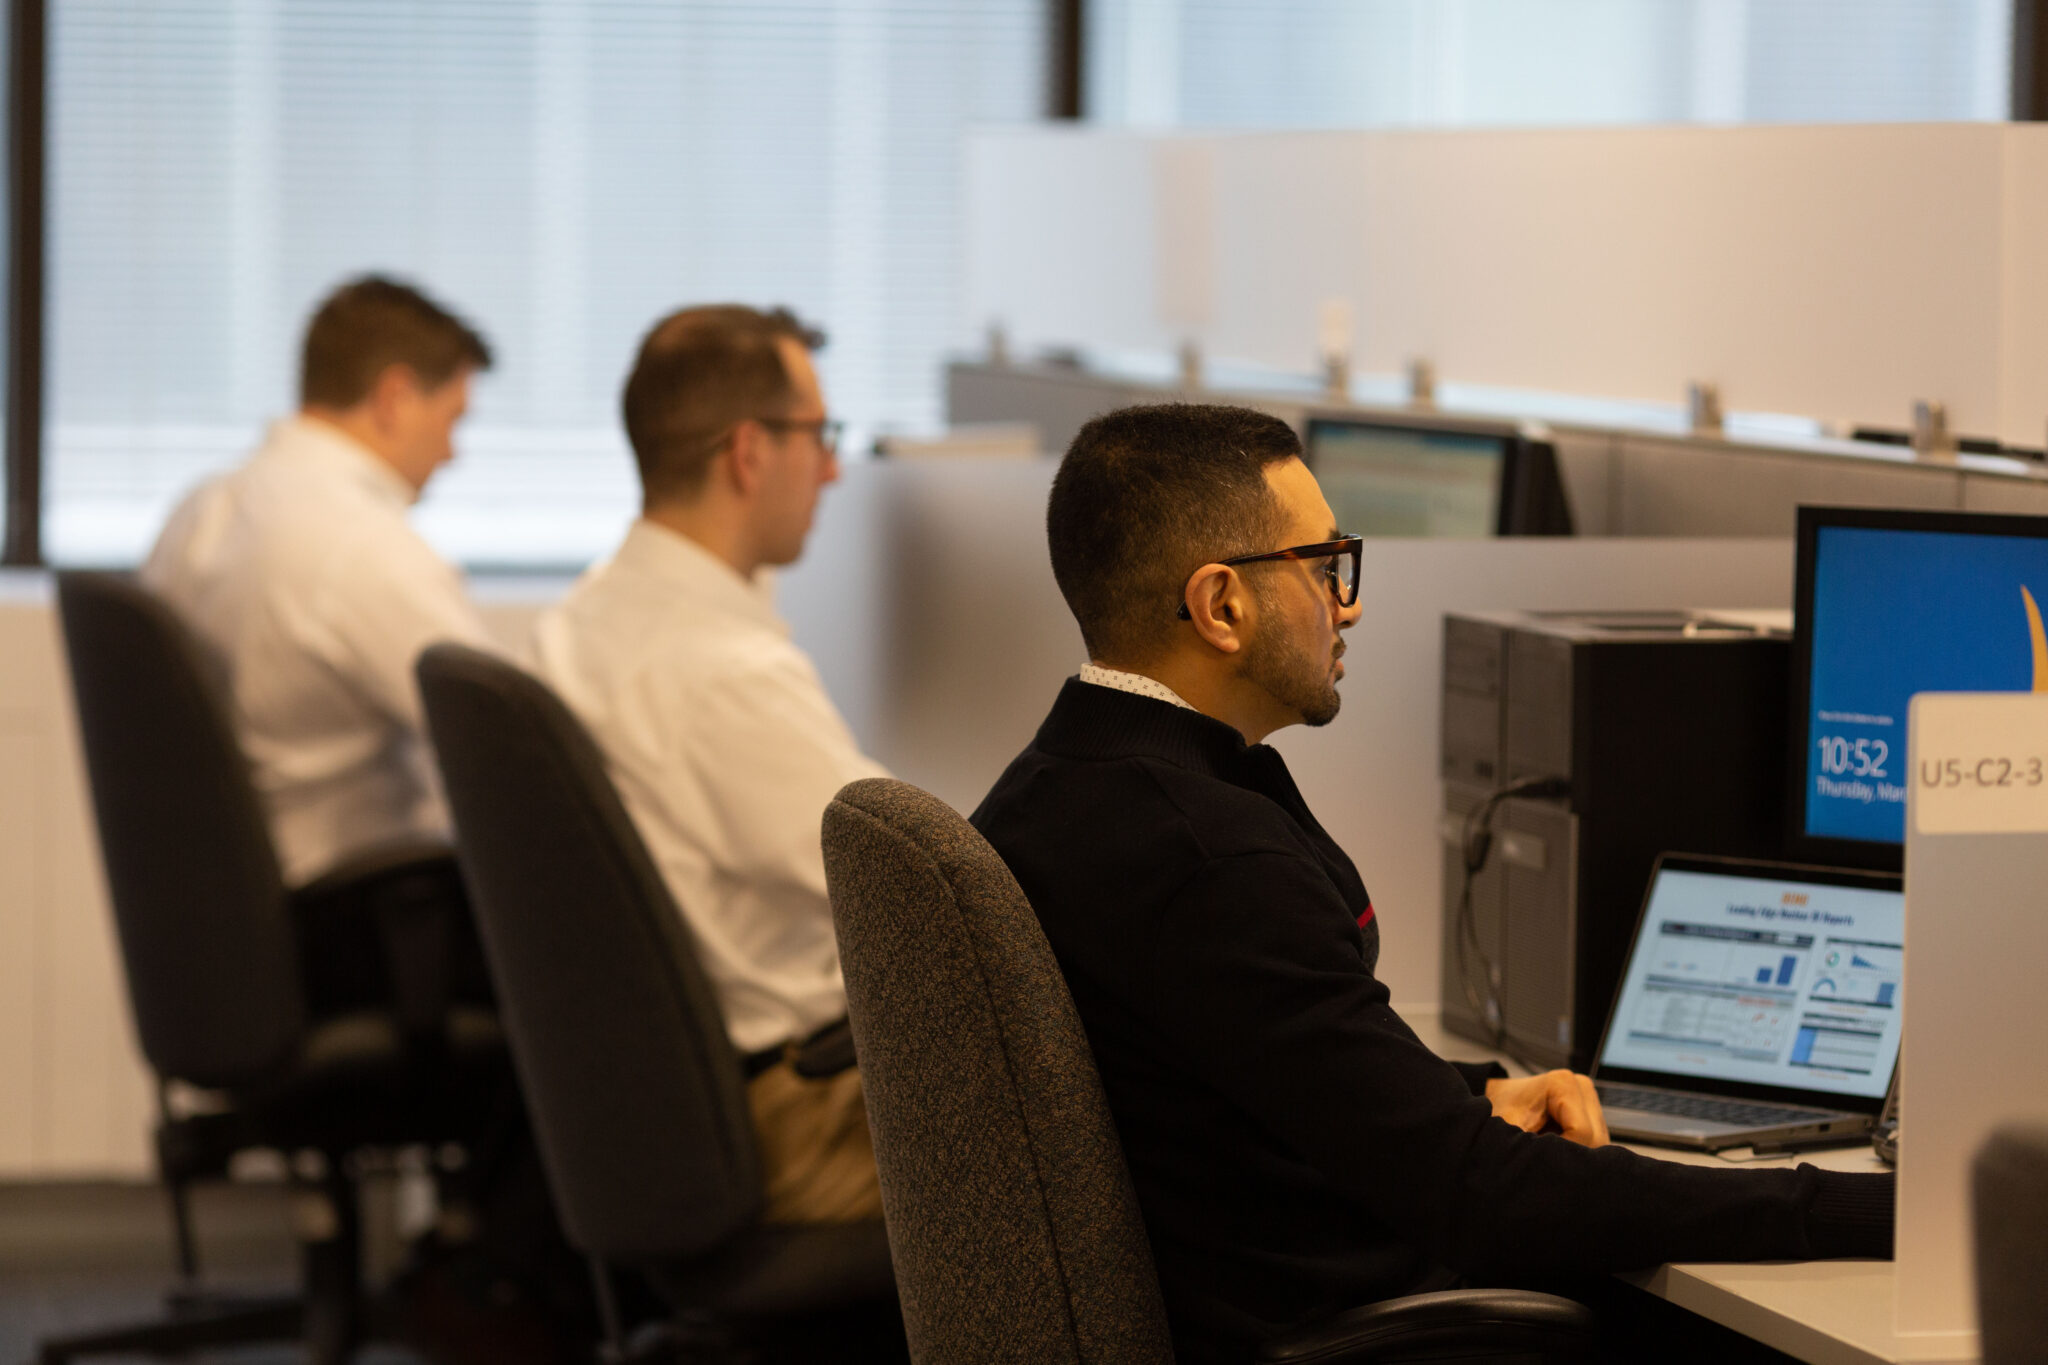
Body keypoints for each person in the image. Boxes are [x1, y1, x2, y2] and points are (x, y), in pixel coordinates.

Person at [969, 403, 1894, 1363]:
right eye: (1325, 566)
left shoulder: (1055, 786)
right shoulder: (1207, 858)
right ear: (1221, 605)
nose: (1349, 603)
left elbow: (1244, 1061)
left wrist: (1466, 1093)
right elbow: (1482, 1197)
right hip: (1337, 1327)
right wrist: (1861, 1204)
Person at [533, 303, 887, 1225]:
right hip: (795, 1115)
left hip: (673, 1106)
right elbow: (924, 894)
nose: (835, 467)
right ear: (749, 452)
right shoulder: (723, 675)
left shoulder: (584, 618)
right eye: (821, 435)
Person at [145, 274, 494, 894]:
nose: (452, 453)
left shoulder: (200, 511)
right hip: (349, 915)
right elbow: (506, 752)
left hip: (219, 902)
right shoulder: (367, 550)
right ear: (394, 397)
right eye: (452, 419)